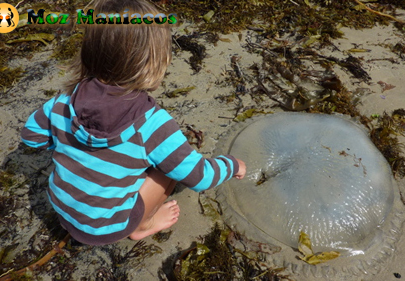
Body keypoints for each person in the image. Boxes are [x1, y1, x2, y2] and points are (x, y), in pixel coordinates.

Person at [21, 0, 246, 246]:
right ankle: (143, 225)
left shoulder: (63, 101)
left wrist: (71, 147)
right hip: (106, 228)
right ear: (154, 61)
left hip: (63, 208)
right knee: (167, 165)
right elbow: (198, 177)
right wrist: (232, 165)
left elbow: (31, 137)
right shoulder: (153, 124)